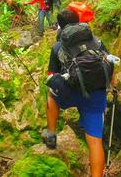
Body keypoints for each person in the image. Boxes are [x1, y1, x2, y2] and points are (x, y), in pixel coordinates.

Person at [43, 9, 114, 177]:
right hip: (96, 94)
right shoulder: (96, 41)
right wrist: (112, 86)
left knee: (52, 93)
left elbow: (52, 77)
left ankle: (51, 134)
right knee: (95, 141)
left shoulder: (58, 46)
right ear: (78, 20)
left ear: (60, 26)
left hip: (71, 93)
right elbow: (110, 62)